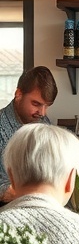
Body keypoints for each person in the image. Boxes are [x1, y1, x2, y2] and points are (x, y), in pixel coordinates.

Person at [0, 66, 57, 202]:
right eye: (36, 104)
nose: (42, 113)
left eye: (47, 106)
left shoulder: (44, 123)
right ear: (18, 94)